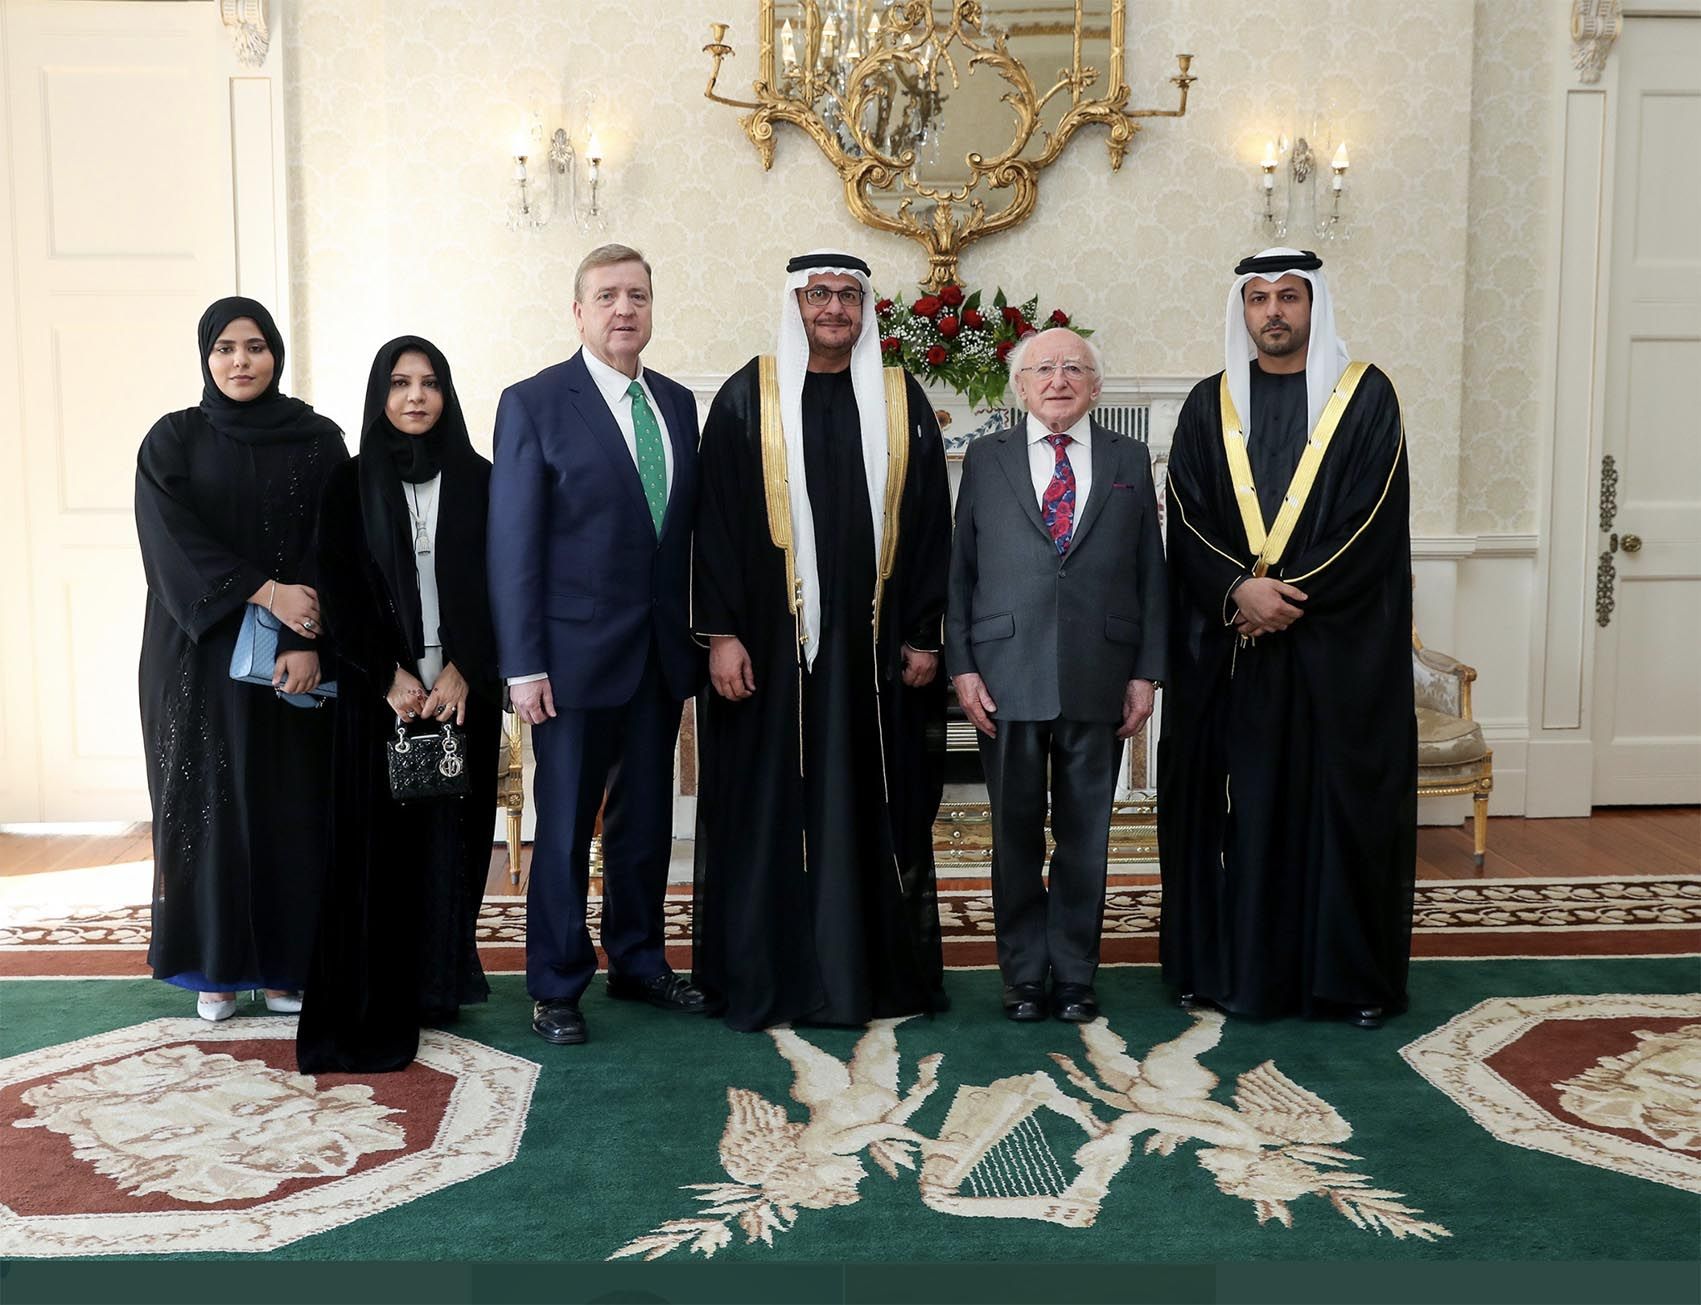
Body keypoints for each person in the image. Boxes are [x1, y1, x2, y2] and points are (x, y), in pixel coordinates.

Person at [691, 250, 951, 1032]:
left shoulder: (901, 398)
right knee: (773, 806)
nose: (833, 308)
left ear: (865, 309)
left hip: (872, 657)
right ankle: (774, 974)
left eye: (846, 295)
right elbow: (716, 523)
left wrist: (922, 632)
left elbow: (932, 523)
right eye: (818, 295)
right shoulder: (750, 396)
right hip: (772, 655)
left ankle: (866, 975)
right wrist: (723, 634)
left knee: (868, 801)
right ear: (795, 304)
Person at [1158, 247, 1416, 1029]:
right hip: (1234, 652)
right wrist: (1238, 590)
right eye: (1258, 298)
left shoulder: (1366, 397)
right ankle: (1230, 970)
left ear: (1314, 306)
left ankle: (1348, 979)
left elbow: (1371, 519)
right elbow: (1185, 513)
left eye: (1289, 298)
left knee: (1338, 809)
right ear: (1241, 311)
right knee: (1241, 806)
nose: (1273, 312)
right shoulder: (1209, 405)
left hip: (1335, 651)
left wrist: (1283, 596)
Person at [488, 245, 706, 1047]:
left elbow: (684, 538)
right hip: (568, 663)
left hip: (657, 656)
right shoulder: (535, 402)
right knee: (567, 827)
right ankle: (554, 983)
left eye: (639, 296)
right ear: (577, 311)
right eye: (608, 295)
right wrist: (522, 664)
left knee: (646, 822)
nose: (625, 309)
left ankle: (640, 962)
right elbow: (512, 544)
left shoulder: (679, 404)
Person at [944, 327, 1166, 1023]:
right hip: (1005, 673)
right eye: (1043, 368)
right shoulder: (986, 458)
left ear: (1095, 387)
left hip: (1099, 672)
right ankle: (1022, 976)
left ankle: (1072, 974)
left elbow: (1149, 575)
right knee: (1012, 833)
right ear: (1020, 386)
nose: (1058, 379)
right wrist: (962, 666)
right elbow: (961, 573)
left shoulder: (1130, 458)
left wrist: (1145, 674)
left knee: (1084, 835)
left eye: (1074, 368)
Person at [135, 296, 346, 1021]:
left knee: (292, 801)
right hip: (196, 654)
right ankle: (214, 970)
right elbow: (169, 541)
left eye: (255, 346)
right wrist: (265, 592)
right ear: (206, 356)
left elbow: (338, 543)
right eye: (225, 347)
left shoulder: (318, 439)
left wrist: (305, 636)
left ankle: (286, 968)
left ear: (276, 354)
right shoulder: (173, 440)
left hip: (294, 654)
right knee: (207, 803)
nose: (240, 361)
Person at [295, 337, 499, 1073]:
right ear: (379, 394)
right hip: (376, 693)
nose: (416, 397)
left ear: (447, 394)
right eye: (400, 382)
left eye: (431, 382)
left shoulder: (482, 479)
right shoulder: (346, 485)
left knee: (456, 835)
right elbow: (336, 588)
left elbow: (500, 583)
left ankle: (439, 983)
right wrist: (387, 677)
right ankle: (387, 982)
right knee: (382, 845)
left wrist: (464, 671)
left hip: (462, 694)